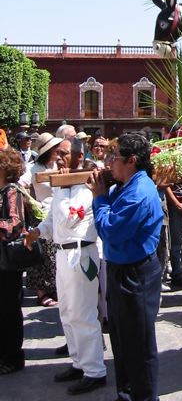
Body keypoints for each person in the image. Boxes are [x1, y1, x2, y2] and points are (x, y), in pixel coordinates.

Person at [25, 137, 106, 394]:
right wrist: (37, 231)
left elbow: (72, 217)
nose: (57, 158)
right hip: (62, 255)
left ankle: (95, 370)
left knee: (83, 314)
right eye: (57, 154)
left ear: (79, 158)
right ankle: (78, 361)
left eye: (63, 154)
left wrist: (59, 187)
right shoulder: (61, 184)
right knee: (67, 313)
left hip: (81, 255)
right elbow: (52, 220)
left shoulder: (87, 184)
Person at [90, 133, 163, 401]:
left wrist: (99, 198)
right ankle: (127, 394)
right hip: (120, 270)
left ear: (132, 161)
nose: (109, 163)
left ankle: (143, 396)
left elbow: (110, 231)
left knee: (139, 346)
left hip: (136, 274)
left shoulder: (139, 193)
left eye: (114, 158)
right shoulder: (124, 185)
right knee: (121, 342)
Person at [0, 147, 28, 375]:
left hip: (7, 261)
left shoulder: (11, 191)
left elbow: (14, 225)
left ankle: (13, 357)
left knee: (8, 308)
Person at [27, 132, 63, 307]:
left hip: (58, 213)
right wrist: (34, 203)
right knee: (43, 256)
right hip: (43, 214)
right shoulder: (33, 169)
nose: (58, 152)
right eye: (55, 149)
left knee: (56, 254)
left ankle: (55, 288)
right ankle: (42, 292)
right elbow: (20, 185)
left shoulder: (59, 165)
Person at [164, 182, 182, 288]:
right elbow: (165, 184)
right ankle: (177, 274)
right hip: (177, 203)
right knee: (176, 243)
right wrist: (176, 203)